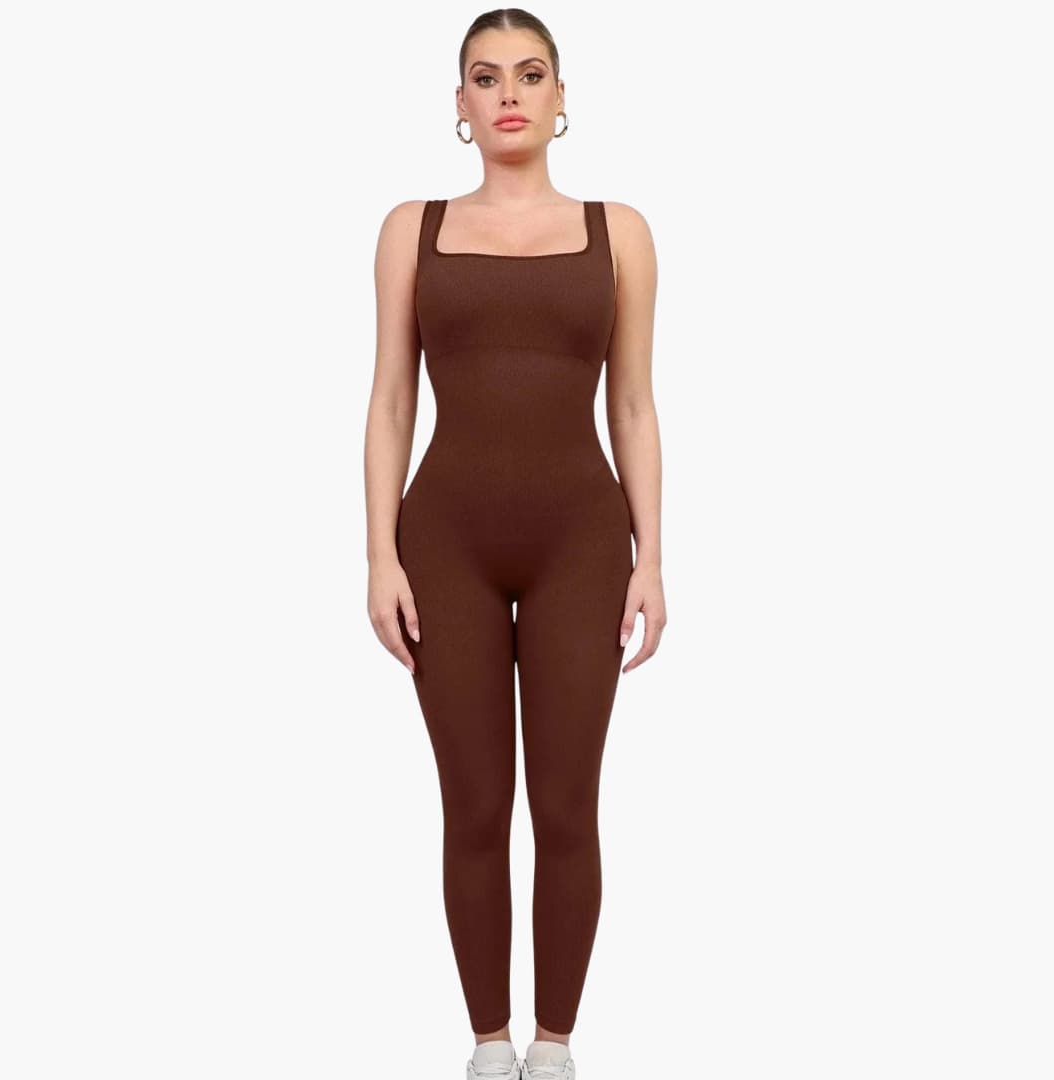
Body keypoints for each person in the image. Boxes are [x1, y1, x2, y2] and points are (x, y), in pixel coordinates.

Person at [364, 9, 666, 1078]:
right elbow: (390, 400)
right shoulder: (412, 228)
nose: (509, 95)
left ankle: (556, 1047)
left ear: (561, 98)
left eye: (530, 75)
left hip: (581, 542)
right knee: (477, 807)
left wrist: (652, 558)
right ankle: (490, 1046)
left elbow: (633, 405)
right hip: (443, 544)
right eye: (486, 78)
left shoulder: (619, 231)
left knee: (568, 806)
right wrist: (380, 555)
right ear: (460, 104)